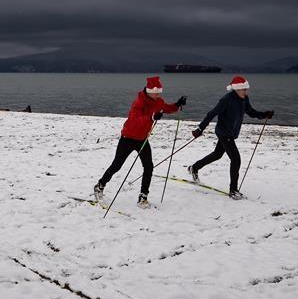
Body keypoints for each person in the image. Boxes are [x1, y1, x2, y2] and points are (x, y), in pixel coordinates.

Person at [95, 76, 186, 208]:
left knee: (149, 166)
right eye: (155, 92)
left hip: (142, 139)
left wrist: (177, 105)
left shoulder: (158, 101)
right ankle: (100, 186)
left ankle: (143, 197)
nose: (158, 94)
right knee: (117, 165)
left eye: (159, 92)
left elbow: (166, 108)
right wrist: (151, 117)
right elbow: (134, 120)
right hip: (128, 138)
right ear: (149, 91)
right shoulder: (138, 102)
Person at [187, 75, 274, 199]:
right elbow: (212, 113)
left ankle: (194, 168)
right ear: (237, 89)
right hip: (224, 132)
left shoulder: (244, 99)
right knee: (236, 159)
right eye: (243, 89)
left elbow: (251, 112)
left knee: (217, 154)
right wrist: (200, 128)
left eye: (246, 89)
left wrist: (264, 114)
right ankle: (233, 190)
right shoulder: (226, 99)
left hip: (231, 133)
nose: (246, 91)